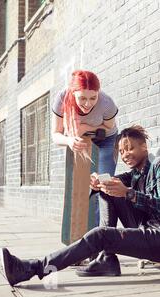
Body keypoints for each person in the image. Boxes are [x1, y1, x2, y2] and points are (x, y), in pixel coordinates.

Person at [0, 125, 160, 286]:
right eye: (121, 151)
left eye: (130, 148)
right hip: (150, 232)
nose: (125, 155)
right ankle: (107, 258)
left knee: (101, 233)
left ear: (144, 148)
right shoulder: (136, 174)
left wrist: (129, 193)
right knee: (108, 187)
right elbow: (114, 184)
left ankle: (32, 268)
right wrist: (98, 183)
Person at [51, 70, 119, 228]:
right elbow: (56, 135)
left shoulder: (106, 103)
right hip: (78, 141)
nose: (88, 103)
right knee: (85, 188)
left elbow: (108, 128)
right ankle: (89, 235)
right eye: (82, 98)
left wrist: (83, 127)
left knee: (102, 184)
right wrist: (69, 140)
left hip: (106, 140)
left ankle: (105, 234)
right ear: (73, 93)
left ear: (98, 93)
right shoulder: (61, 99)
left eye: (92, 98)